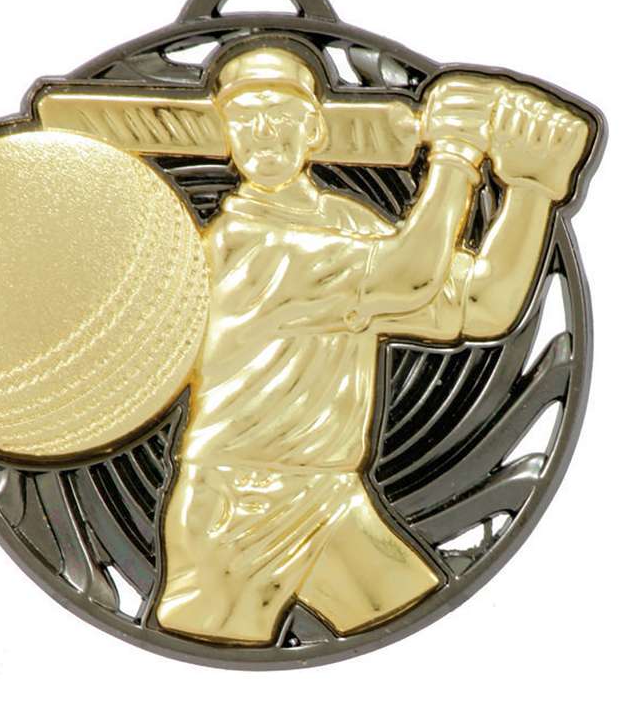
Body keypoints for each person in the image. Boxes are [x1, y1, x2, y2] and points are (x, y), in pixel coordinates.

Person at [154, 46, 589, 643]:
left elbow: (484, 306)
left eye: (281, 116)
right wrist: (454, 156)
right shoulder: (245, 245)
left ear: (313, 130)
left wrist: (533, 190)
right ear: (225, 133)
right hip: (238, 501)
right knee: (202, 667)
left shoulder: (349, 226)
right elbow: (406, 277)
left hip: (331, 494)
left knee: (422, 630)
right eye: (246, 119)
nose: (264, 133)